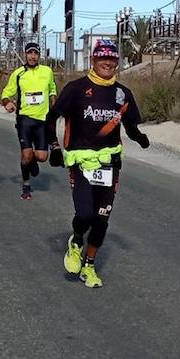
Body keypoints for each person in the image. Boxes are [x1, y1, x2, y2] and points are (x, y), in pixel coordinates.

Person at [48, 37, 150, 288]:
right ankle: (76, 242)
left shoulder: (122, 94)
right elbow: (51, 118)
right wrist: (54, 148)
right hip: (81, 162)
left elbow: (130, 125)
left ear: (117, 63)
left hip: (110, 163)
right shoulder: (76, 88)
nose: (107, 62)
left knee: (102, 219)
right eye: (102, 58)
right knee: (85, 213)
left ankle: (89, 267)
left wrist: (141, 138)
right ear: (93, 60)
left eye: (112, 59)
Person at [0, 42, 57, 201]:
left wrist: (53, 99)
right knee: (26, 155)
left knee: (42, 156)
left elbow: (52, 88)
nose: (33, 56)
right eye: (30, 53)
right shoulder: (18, 73)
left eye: (36, 54)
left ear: (39, 55)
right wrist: (7, 103)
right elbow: (6, 92)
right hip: (24, 118)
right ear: (25, 54)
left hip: (42, 119)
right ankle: (26, 185)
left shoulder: (47, 71)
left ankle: (32, 160)